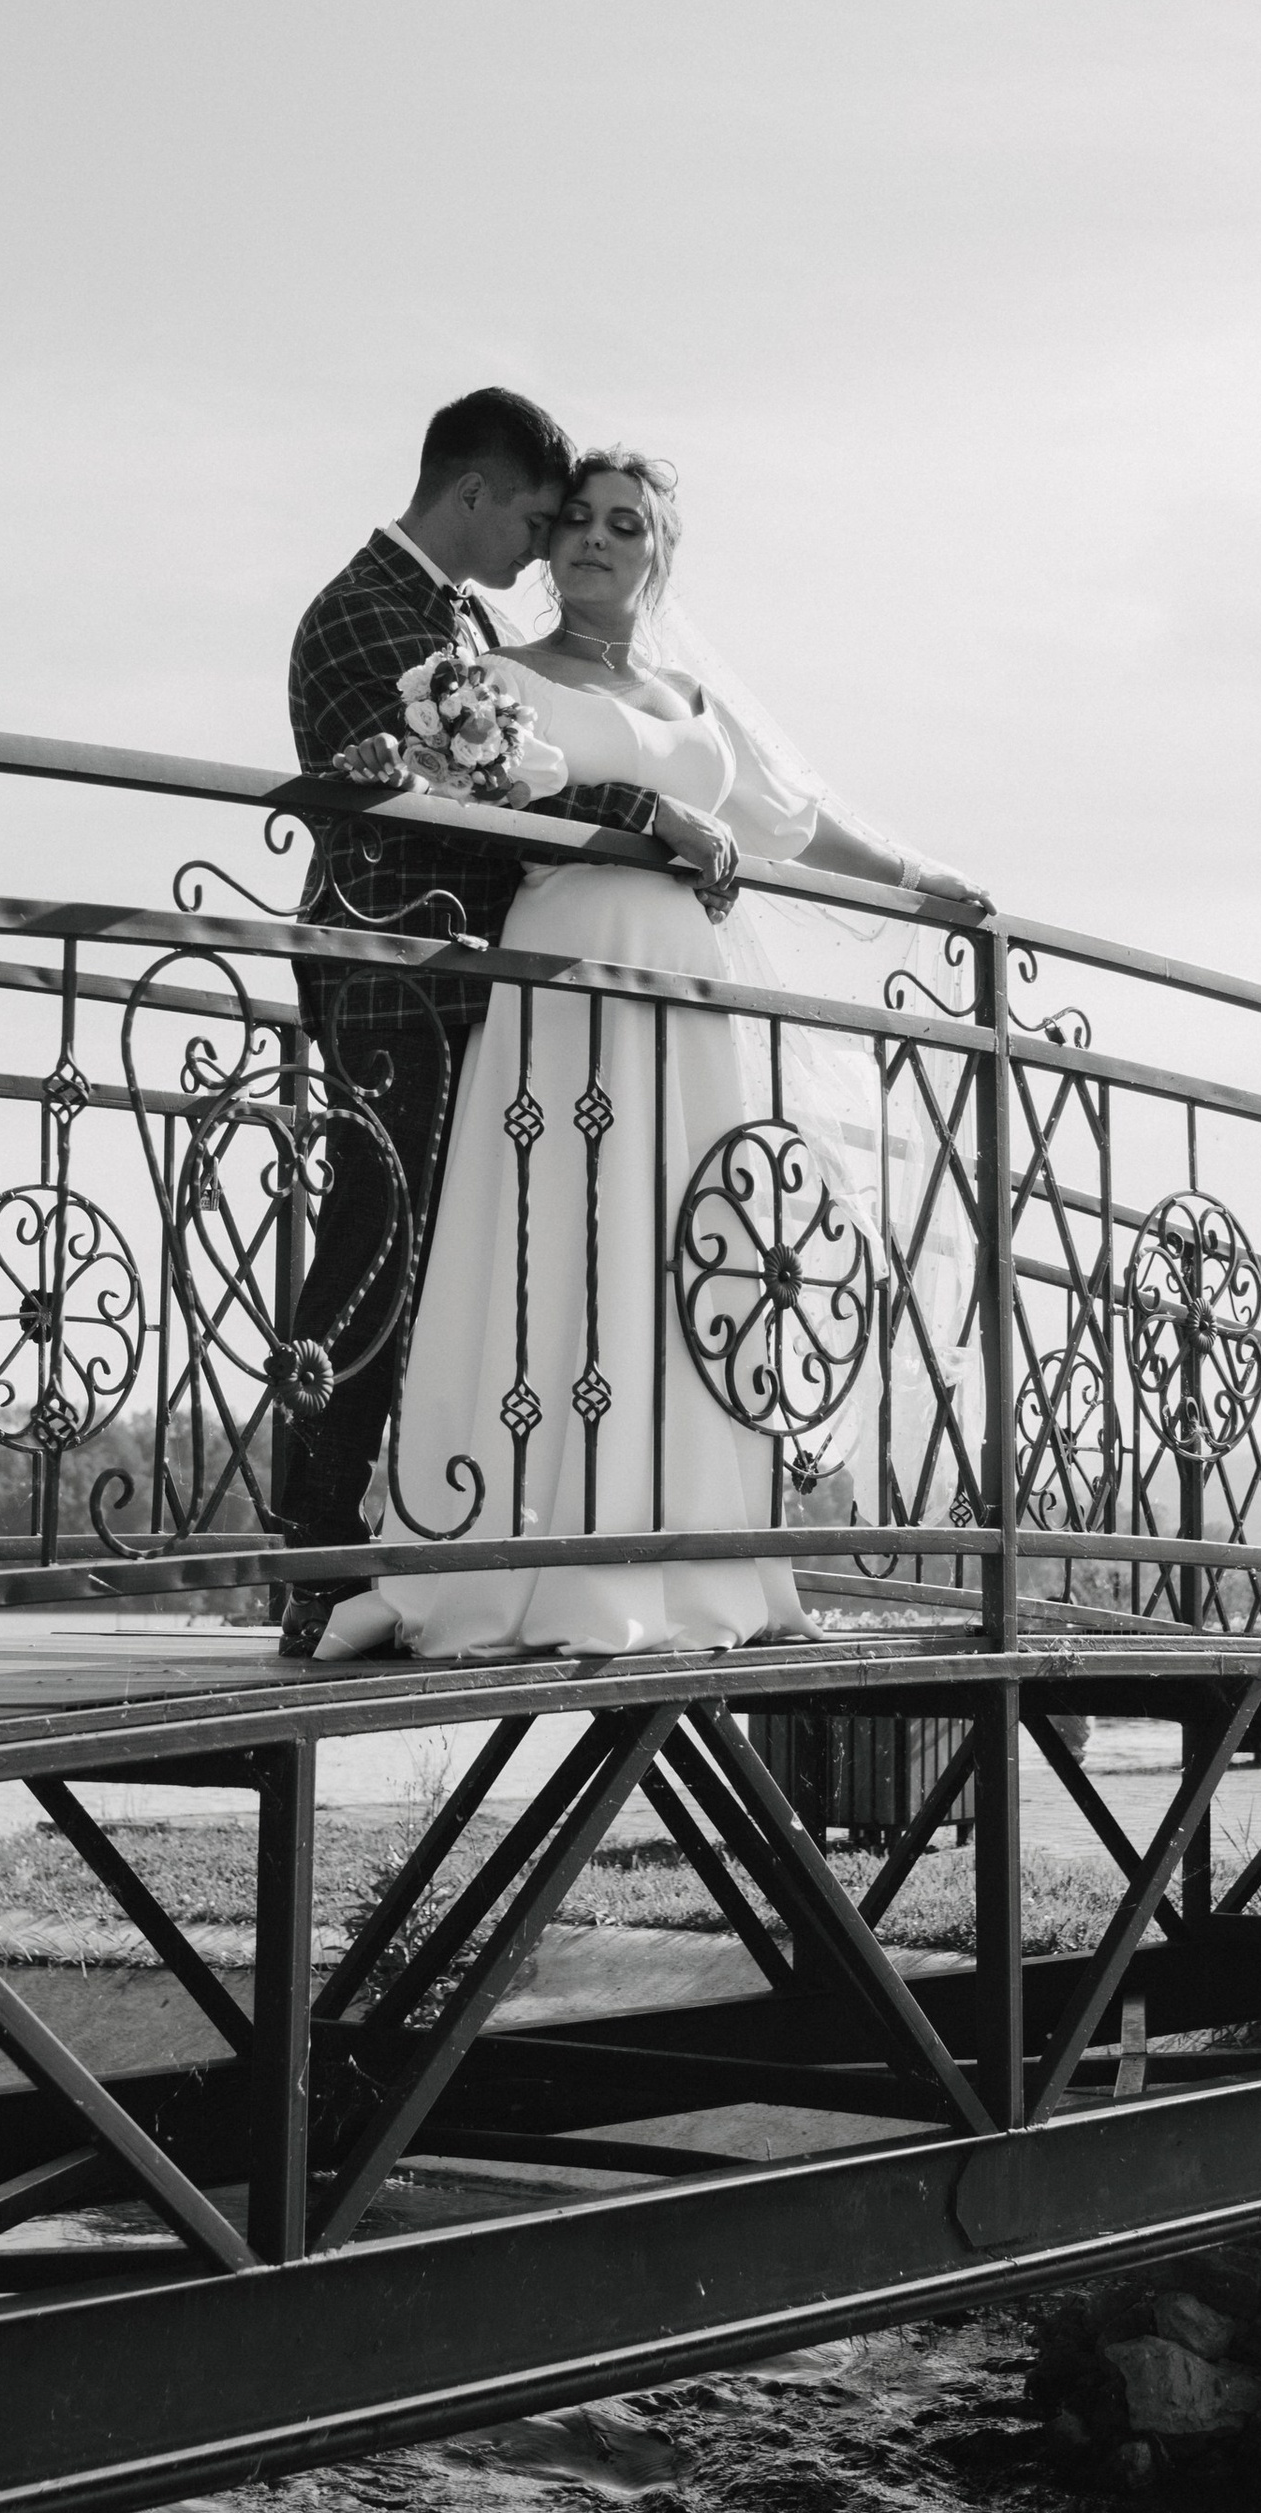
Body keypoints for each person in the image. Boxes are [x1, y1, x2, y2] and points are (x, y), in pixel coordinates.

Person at [316, 449, 983, 1666]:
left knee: (680, 1242)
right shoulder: (489, 674)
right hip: (565, 970)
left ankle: (688, 1550)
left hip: (690, 996)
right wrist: (390, 767)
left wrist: (919, 881)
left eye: (623, 524)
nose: (592, 539)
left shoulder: (692, 701)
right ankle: (527, 1559)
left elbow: (793, 820)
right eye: (574, 519)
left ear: (657, 552)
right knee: (562, 1236)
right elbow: (457, 791)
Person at [272, 384, 577, 1658]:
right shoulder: (354, 614)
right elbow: (398, 793)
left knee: (426, 1240)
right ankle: (311, 1547)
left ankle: (393, 1532)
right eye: (533, 518)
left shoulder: (464, 620)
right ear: (472, 493)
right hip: (387, 963)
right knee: (371, 1229)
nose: (541, 549)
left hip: (459, 973)